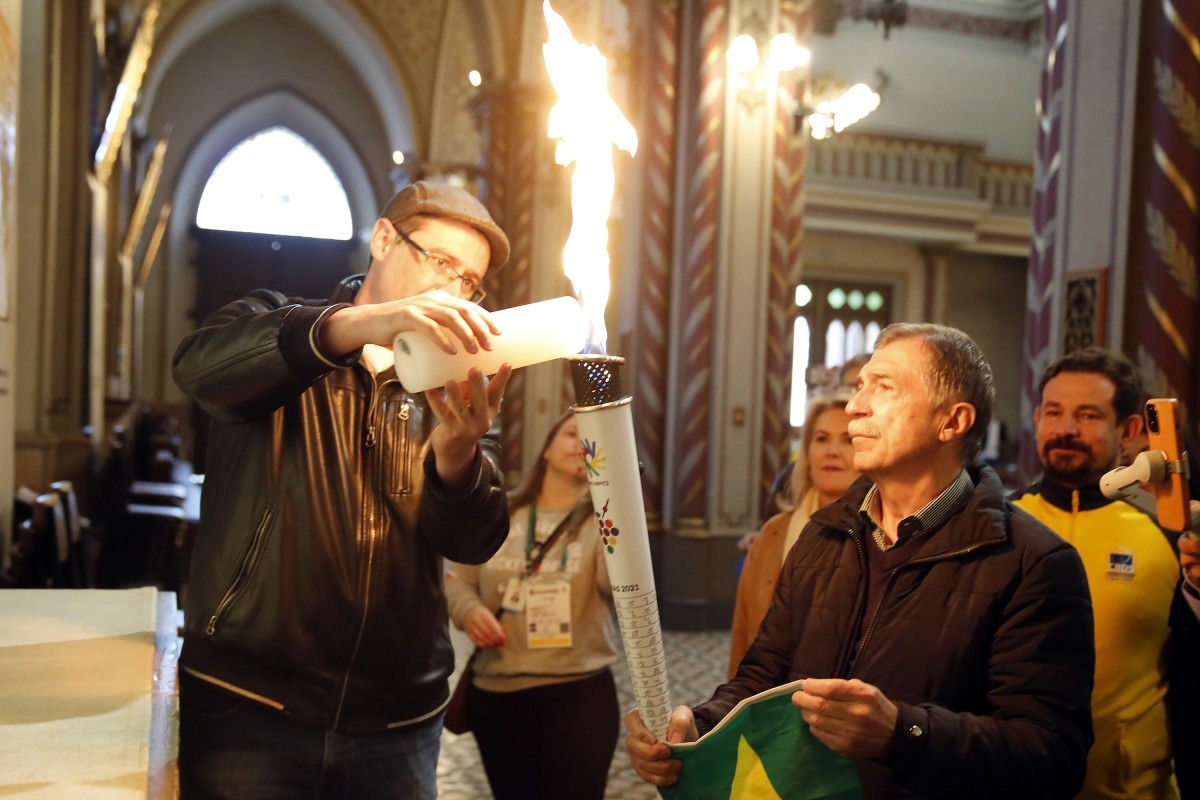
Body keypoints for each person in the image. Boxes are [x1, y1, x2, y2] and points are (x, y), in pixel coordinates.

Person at [626, 322, 1096, 799]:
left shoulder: (1032, 563)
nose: (854, 406)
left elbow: (1052, 755)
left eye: (883, 387)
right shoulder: (827, 533)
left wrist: (902, 733)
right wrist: (700, 723)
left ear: (951, 422)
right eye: (859, 387)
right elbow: (764, 676)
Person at [171, 180, 515, 799]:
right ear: (384, 239)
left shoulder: (452, 381)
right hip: (251, 703)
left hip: (396, 717)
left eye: (468, 281)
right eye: (441, 262)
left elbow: (474, 540)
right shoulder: (278, 324)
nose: (451, 289)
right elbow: (199, 370)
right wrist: (360, 327)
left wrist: (458, 455)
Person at [1010, 347, 1200, 799]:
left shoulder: (1170, 532)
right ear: (1037, 419)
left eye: (1088, 414)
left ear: (1129, 430)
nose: (1066, 429)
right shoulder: (998, 524)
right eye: (1053, 412)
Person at [444, 410, 619, 800]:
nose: (581, 445)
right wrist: (470, 611)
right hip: (499, 693)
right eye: (572, 433)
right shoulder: (500, 511)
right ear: (546, 449)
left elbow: (616, 582)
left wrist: (617, 505)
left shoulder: (602, 521)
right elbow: (458, 581)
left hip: (579, 694)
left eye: (592, 440)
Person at [728, 388, 858, 678]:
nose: (832, 451)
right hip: (769, 697)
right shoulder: (774, 533)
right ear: (808, 453)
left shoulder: (882, 535)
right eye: (821, 438)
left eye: (848, 440)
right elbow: (742, 637)